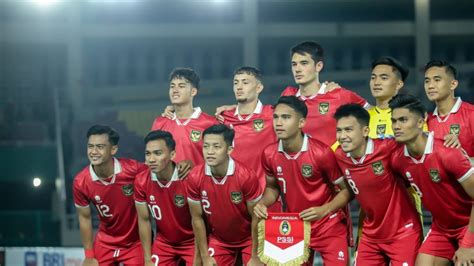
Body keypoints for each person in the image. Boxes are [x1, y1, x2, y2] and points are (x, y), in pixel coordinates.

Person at [254, 96, 352, 265]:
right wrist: (263, 203)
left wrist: (324, 210)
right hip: (294, 227)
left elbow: (347, 190)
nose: (278, 122)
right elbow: (272, 188)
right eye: (276, 117)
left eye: (285, 117)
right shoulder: (269, 154)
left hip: (328, 225)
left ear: (301, 123)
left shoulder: (321, 153)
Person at [389, 94, 474, 266]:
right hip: (441, 229)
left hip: (469, 225)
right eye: (394, 121)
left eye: (403, 120)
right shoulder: (398, 160)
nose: (396, 126)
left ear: (421, 122)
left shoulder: (447, 153)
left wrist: (468, 244)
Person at [333, 104, 422, 265]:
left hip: (403, 232)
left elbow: (418, 138)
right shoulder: (338, 155)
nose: (343, 136)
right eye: (339, 130)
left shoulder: (387, 147)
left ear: (365, 131)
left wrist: (447, 139)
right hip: (371, 235)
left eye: (349, 130)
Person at [187, 124, 263, 265]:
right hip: (219, 241)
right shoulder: (195, 176)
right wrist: (204, 256)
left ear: (229, 149)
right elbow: (197, 218)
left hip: (249, 239)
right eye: (206, 146)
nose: (210, 152)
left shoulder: (246, 176)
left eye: (216, 147)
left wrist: (255, 255)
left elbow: (257, 218)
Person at [73, 125, 147, 266]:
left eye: (100, 147)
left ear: (113, 149)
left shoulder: (133, 169)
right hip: (105, 242)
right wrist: (89, 256)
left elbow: (160, 171)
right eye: (90, 146)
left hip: (135, 242)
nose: (94, 152)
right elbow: (84, 217)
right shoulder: (80, 181)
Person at [280, 41, 369, 148]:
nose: (297, 69)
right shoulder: (288, 96)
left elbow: (373, 112)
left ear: (318, 66)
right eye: (294, 64)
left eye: (304, 63)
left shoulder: (339, 95)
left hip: (332, 163)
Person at [134, 130, 196, 266]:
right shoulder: (141, 181)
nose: (151, 159)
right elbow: (144, 221)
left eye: (158, 153)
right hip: (164, 244)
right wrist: (147, 258)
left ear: (172, 154)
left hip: (193, 242)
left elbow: (201, 220)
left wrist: (201, 252)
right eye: (148, 154)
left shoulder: (189, 179)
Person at [151, 67, 217, 169]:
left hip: (199, 184)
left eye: (181, 86)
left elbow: (219, 161)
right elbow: (152, 160)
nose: (175, 90)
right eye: (172, 86)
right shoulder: (159, 123)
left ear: (193, 91)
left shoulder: (210, 123)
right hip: (167, 184)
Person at [424, 60, 474, 158]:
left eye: (437, 80)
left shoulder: (471, 114)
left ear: (453, 84)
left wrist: (463, 161)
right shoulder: (426, 121)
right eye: (427, 81)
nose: (430, 86)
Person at [367, 56, 409, 139]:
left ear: (399, 84)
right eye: (373, 77)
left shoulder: (411, 117)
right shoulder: (361, 117)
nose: (376, 82)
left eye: (384, 78)